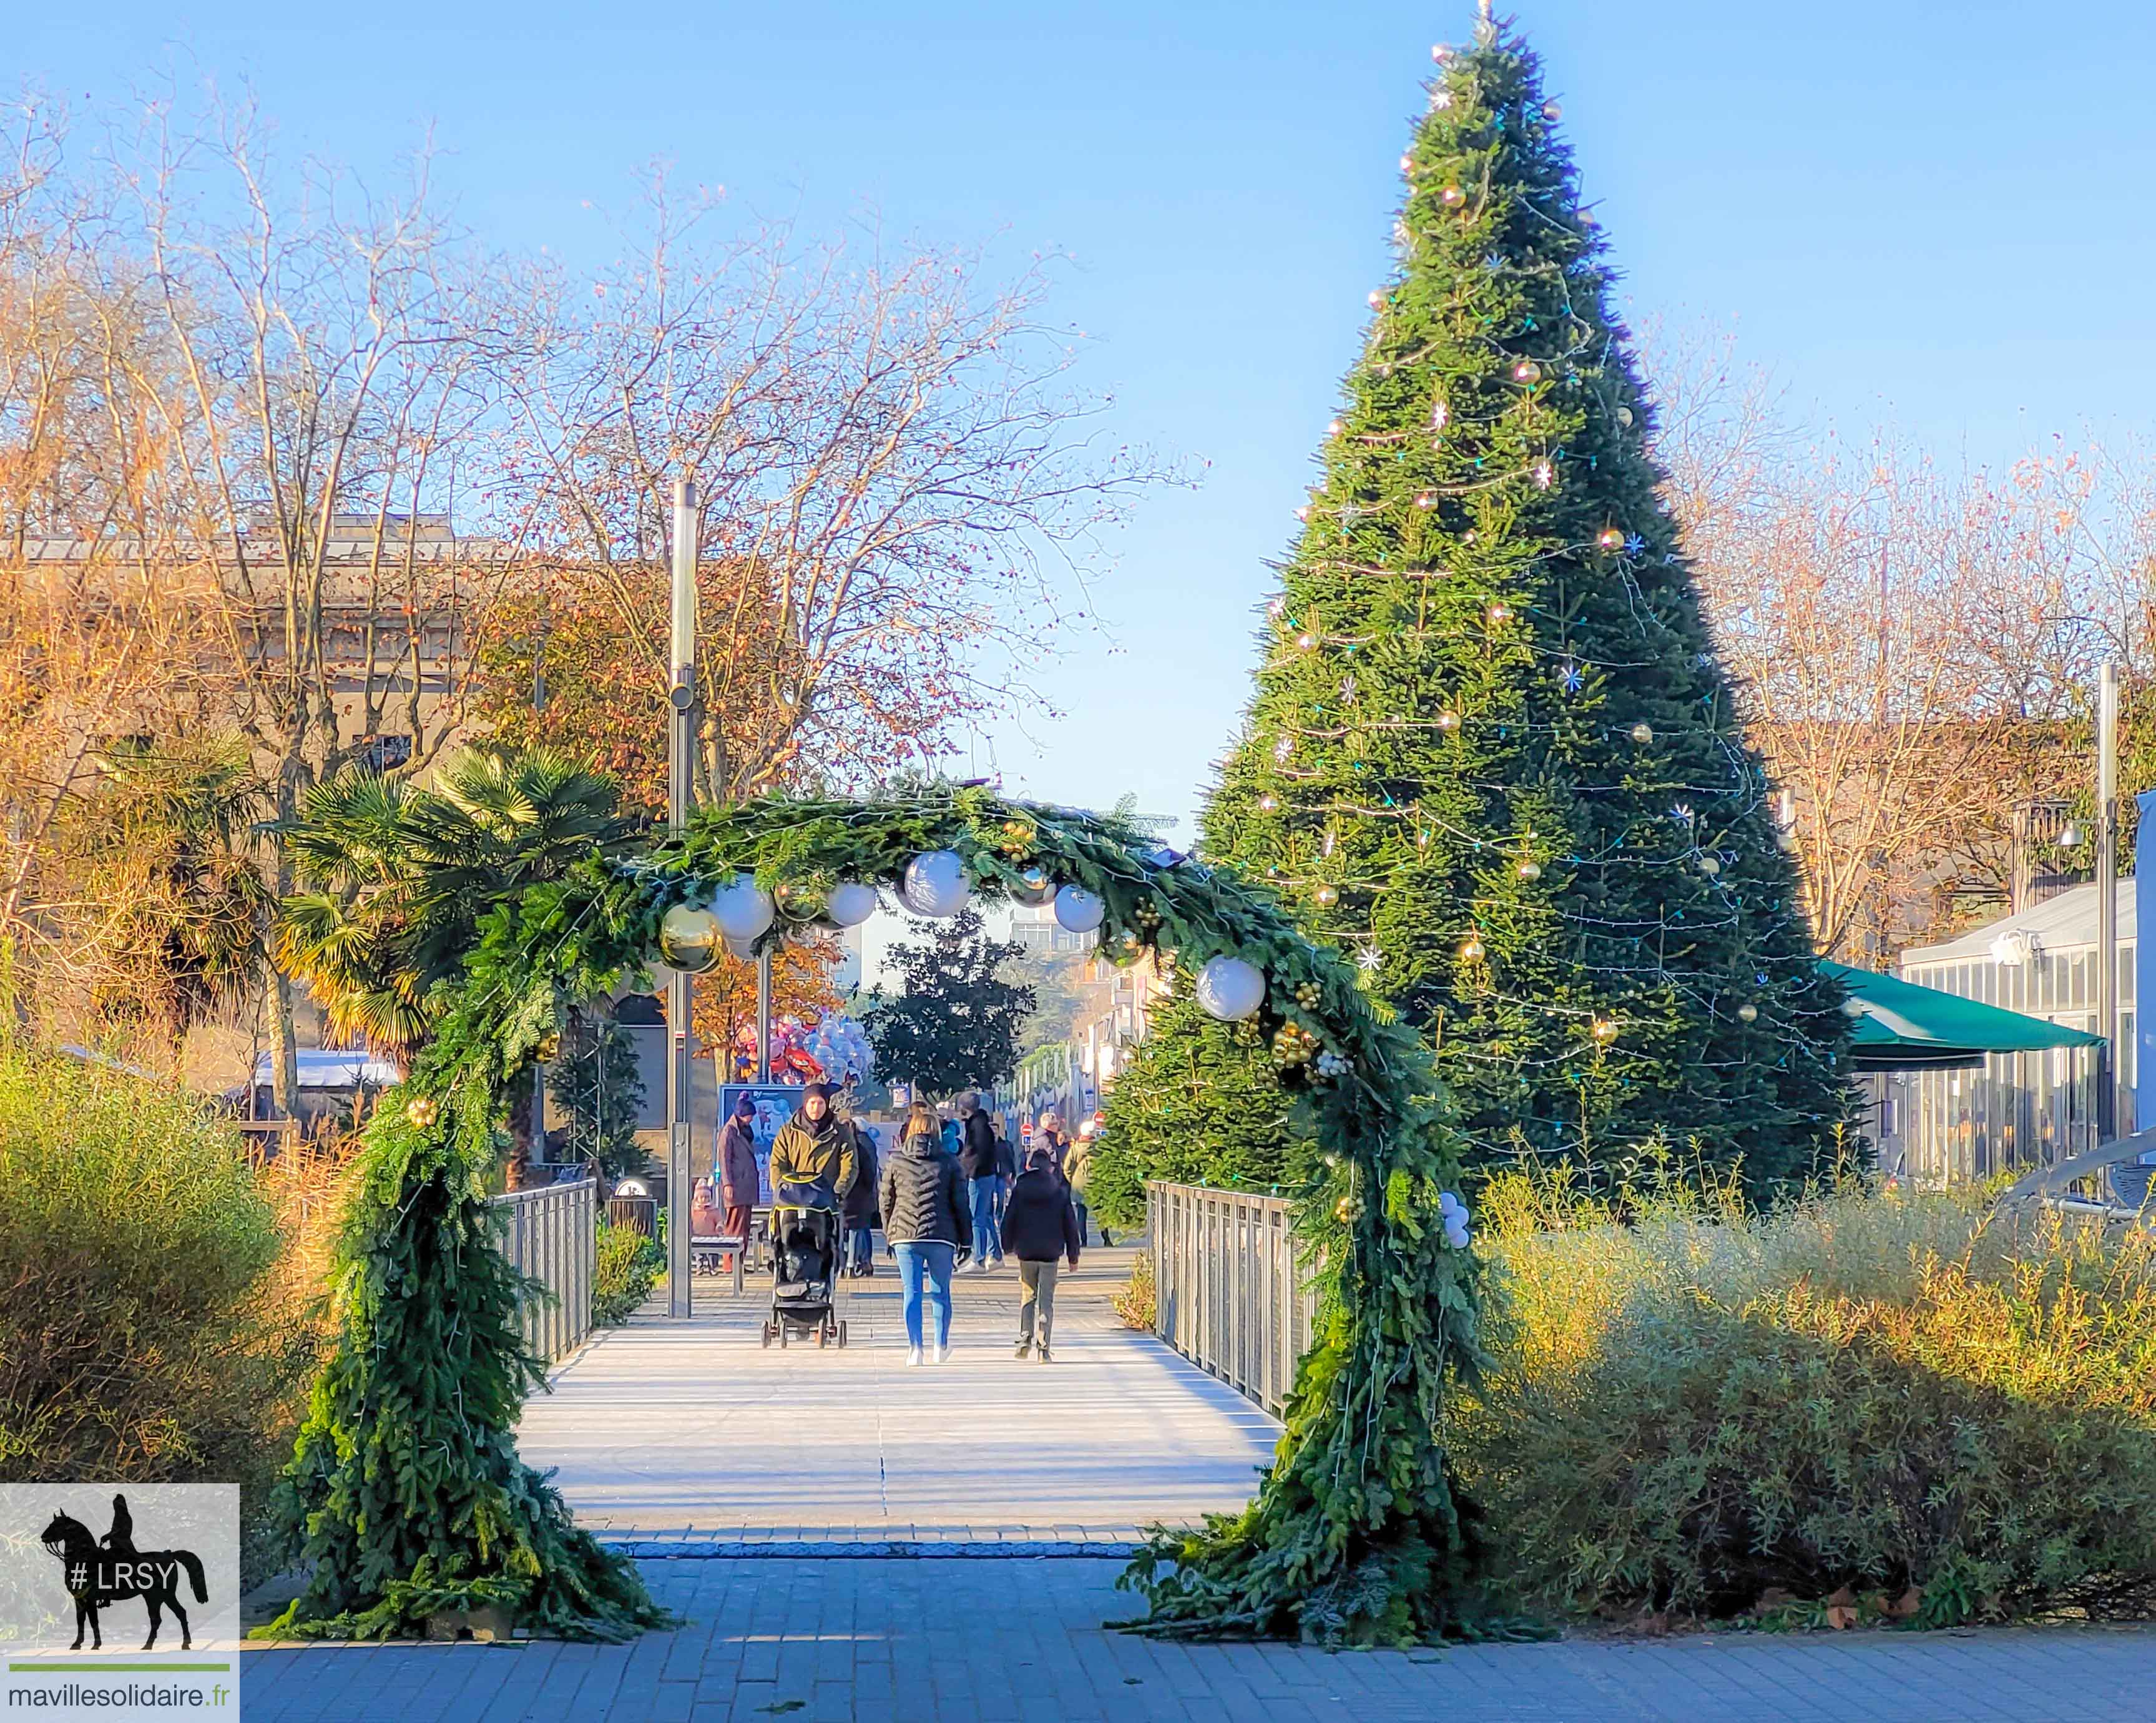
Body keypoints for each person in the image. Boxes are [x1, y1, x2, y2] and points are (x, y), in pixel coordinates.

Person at [878, 1101, 966, 1365]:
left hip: (905, 1235)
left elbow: (885, 1200)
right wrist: (967, 1241)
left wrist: (889, 1233)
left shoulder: (896, 1162)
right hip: (942, 1235)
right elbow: (960, 1203)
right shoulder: (950, 1163)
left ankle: (915, 1348)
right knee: (941, 1292)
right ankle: (941, 1345)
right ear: (938, 1133)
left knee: (911, 1292)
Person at [1002, 1146, 1081, 1362]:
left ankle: (1024, 1337)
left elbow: (1009, 1219)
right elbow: (1070, 1226)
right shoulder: (1059, 1191)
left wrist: (1007, 1246)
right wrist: (1073, 1256)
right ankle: (1044, 1349)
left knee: (1028, 1295)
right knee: (1046, 1300)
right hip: (1051, 1253)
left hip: (1026, 1251)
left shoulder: (1020, 1189)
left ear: (1029, 1166)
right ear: (1050, 1167)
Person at [766, 1082, 856, 1209]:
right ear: (805, 1104)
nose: (816, 1108)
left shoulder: (840, 1132)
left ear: (827, 1104)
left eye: (821, 1103)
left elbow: (850, 1166)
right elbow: (777, 1164)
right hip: (792, 1200)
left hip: (825, 1200)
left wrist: (838, 1193)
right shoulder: (787, 1132)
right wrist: (782, 1191)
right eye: (812, 1103)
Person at [957, 1091, 1002, 1272]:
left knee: (976, 1217)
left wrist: (969, 1169)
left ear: (964, 1107)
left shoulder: (977, 1125)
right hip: (987, 1174)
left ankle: (979, 1258)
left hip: (979, 1175)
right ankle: (995, 1255)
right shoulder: (981, 1123)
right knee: (987, 1216)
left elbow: (978, 1152)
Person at [717, 1092, 761, 1271]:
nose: (752, 1119)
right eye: (750, 1115)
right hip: (736, 1186)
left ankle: (739, 1262)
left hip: (746, 1186)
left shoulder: (744, 1130)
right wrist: (727, 1184)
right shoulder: (729, 1132)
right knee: (734, 1226)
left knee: (744, 1227)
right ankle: (730, 1264)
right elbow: (724, 1159)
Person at [840, 1112, 881, 1277]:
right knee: (859, 1229)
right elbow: (870, 1172)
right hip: (860, 1195)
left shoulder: (840, 1146)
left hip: (844, 1195)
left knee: (843, 1230)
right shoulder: (865, 1145)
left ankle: (845, 1264)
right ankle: (859, 1262)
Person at [1065, 1119, 1110, 1248]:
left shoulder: (1076, 1148)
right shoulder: (1101, 1147)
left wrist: (1073, 1180)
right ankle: (1106, 1238)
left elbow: (1067, 1167)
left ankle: (1083, 1241)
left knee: (1081, 1213)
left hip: (1079, 1183)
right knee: (1100, 1212)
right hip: (1097, 1182)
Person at [1034, 1109, 1071, 1175]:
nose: (1058, 1126)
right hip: (1050, 1176)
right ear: (1048, 1126)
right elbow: (1054, 1157)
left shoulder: (1051, 1136)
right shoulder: (1045, 1139)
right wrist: (1063, 1145)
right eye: (1055, 1124)